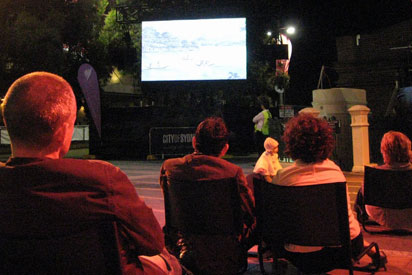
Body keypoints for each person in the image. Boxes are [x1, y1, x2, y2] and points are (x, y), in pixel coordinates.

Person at [0, 72, 181, 275]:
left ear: (8, 123)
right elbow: (152, 243)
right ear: (62, 132)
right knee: (168, 262)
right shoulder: (102, 180)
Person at [272, 113, 386, 272]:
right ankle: (369, 249)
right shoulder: (336, 173)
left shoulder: (282, 178)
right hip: (342, 251)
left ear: (291, 143)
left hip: (301, 256)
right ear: (325, 142)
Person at [160, 117, 255, 274]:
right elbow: (250, 214)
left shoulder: (170, 167)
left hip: (182, 246)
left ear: (194, 141)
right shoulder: (232, 172)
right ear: (225, 148)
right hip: (225, 251)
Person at [355, 130, 412, 230]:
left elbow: (364, 196)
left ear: (384, 151)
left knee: (362, 189)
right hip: (409, 216)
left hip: (384, 217)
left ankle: (362, 218)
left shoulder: (374, 173)